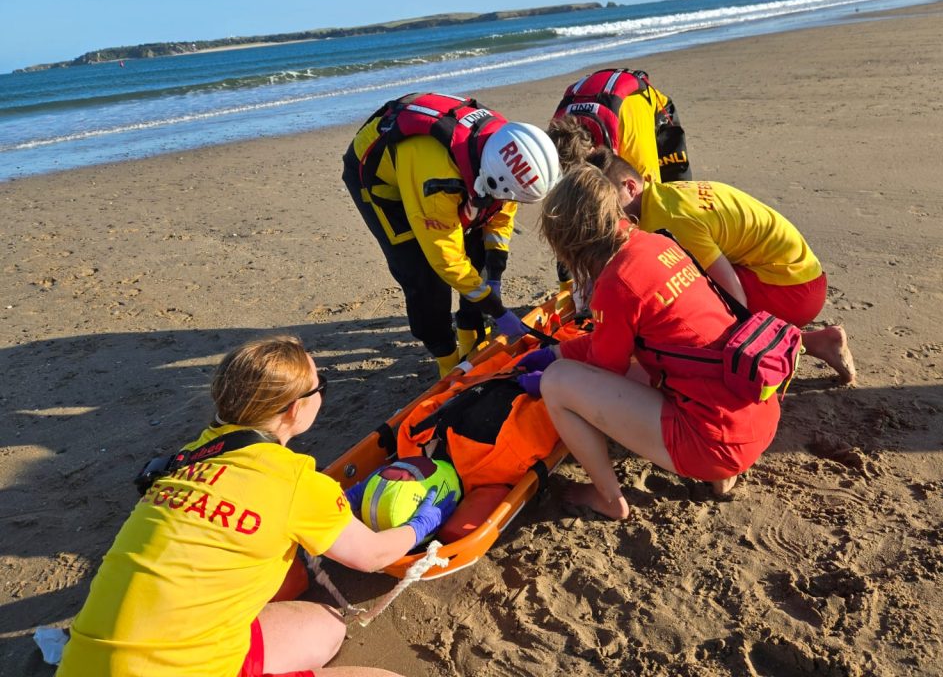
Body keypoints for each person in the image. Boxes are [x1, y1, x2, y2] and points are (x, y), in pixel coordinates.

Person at [58, 335, 455, 677]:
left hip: (89, 662)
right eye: (321, 386)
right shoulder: (294, 481)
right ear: (295, 408)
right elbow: (373, 555)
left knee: (326, 626)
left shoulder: (190, 456)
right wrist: (425, 520)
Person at [517, 167, 781, 520]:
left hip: (712, 445)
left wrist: (552, 368)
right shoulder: (660, 243)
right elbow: (638, 341)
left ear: (572, 241)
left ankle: (608, 498)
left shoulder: (616, 282)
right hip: (757, 415)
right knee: (667, 358)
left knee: (557, 383)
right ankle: (723, 475)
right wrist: (555, 351)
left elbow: (605, 369)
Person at [587, 148, 856, 384]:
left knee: (685, 308)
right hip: (799, 273)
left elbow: (733, 295)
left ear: (630, 187)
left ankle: (790, 350)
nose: (606, 215)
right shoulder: (664, 194)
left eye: (608, 204)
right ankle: (818, 342)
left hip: (793, 289)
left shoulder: (671, 220)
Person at [342, 92, 561, 377]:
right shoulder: (439, 181)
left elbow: (501, 211)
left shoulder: (505, 148)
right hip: (381, 182)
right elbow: (446, 259)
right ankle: (447, 359)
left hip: (441, 172)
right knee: (423, 277)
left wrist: (494, 272)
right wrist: (497, 310)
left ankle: (472, 336)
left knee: (477, 252)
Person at [547, 68, 692, 183]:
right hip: (604, 99)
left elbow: (647, 194)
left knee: (675, 188)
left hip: (653, 113)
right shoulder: (554, 135)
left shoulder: (632, 141)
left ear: (592, 151)